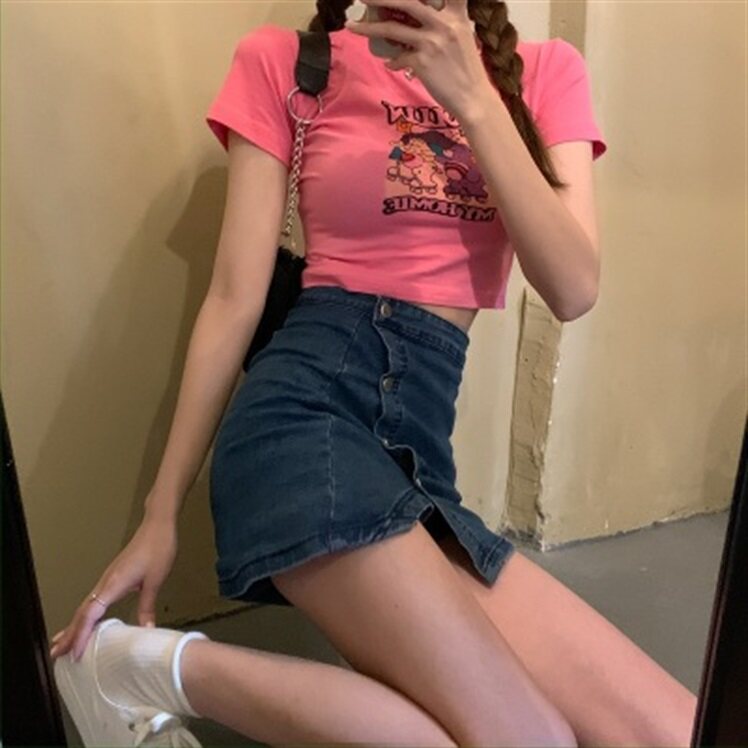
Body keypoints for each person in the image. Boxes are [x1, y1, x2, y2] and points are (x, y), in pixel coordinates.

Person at [50, 1, 698, 746]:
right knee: (533, 741)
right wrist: (160, 513)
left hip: (416, 451)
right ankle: (149, 670)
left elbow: (573, 287)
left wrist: (474, 99)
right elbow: (233, 299)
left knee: (674, 730)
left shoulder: (544, 75)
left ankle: (130, 667)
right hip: (303, 420)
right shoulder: (290, 63)